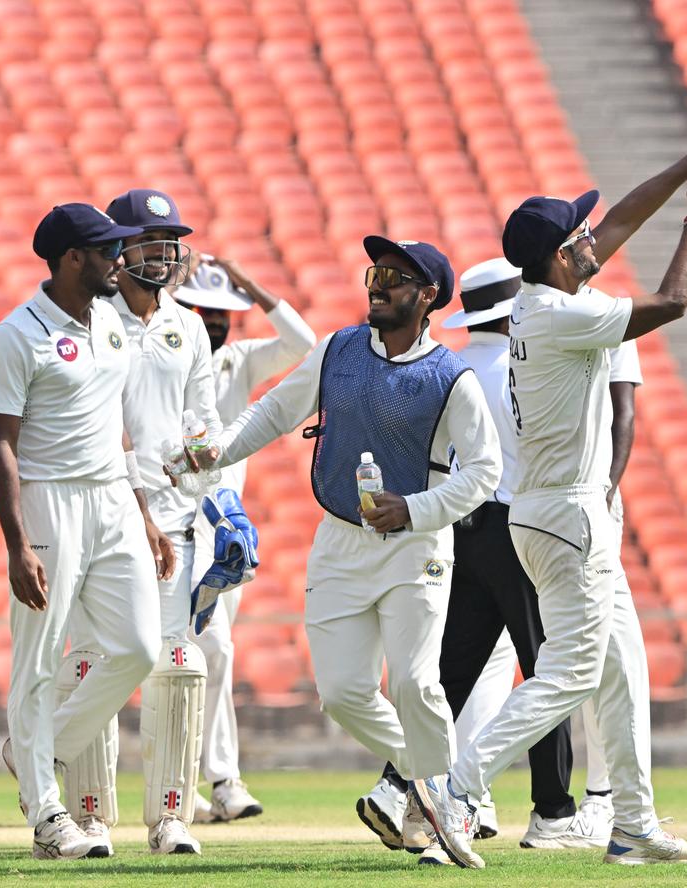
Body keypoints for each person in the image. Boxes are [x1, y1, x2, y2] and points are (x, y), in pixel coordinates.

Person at [412, 117, 687, 869]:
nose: (597, 238)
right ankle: (454, 790)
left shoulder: (537, 300)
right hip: (570, 516)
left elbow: (618, 220)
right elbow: (674, 301)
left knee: (623, 670)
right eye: (582, 236)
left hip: (548, 512)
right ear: (563, 256)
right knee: (572, 674)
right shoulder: (569, 316)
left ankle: (633, 824)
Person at [191, 236, 500, 855]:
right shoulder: (337, 349)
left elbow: (484, 473)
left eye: (395, 276)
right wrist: (215, 451)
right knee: (342, 693)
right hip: (339, 540)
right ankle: (432, 782)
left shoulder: (452, 376)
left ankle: (445, 806)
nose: (378, 284)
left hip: (416, 545)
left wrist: (414, 509)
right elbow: (277, 410)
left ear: (429, 296)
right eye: (375, 272)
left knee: (416, 685)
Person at [361, 259, 637, 857]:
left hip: (467, 528)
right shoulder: (526, 361)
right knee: (551, 673)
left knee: (452, 670)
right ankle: (553, 812)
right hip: (519, 526)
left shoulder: (457, 368)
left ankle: (394, 784)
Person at [0, 204, 168, 859]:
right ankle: (46, 815)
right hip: (50, 503)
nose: (119, 260)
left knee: (139, 647)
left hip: (113, 501)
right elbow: (0, 443)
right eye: (106, 251)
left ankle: (41, 750)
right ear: (70, 260)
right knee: (36, 663)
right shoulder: (17, 334)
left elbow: (113, 428)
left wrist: (141, 511)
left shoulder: (112, 323)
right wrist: (16, 543)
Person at [61, 189, 221, 855]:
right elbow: (95, 428)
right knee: (96, 663)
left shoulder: (190, 326)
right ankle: (89, 815)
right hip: (100, 518)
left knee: (180, 664)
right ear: (117, 248)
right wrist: (138, 500)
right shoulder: (88, 323)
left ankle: (171, 819)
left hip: (175, 521)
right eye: (149, 239)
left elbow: (203, 422)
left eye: (169, 241)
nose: (162, 253)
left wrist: (210, 475)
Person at [169, 253, 316, 824]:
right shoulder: (166, 357)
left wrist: (246, 281)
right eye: (203, 312)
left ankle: (192, 788)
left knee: (207, 654)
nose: (214, 323)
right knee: (209, 649)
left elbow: (302, 340)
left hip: (227, 531)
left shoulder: (235, 362)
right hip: (172, 522)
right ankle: (220, 780)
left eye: (224, 314)